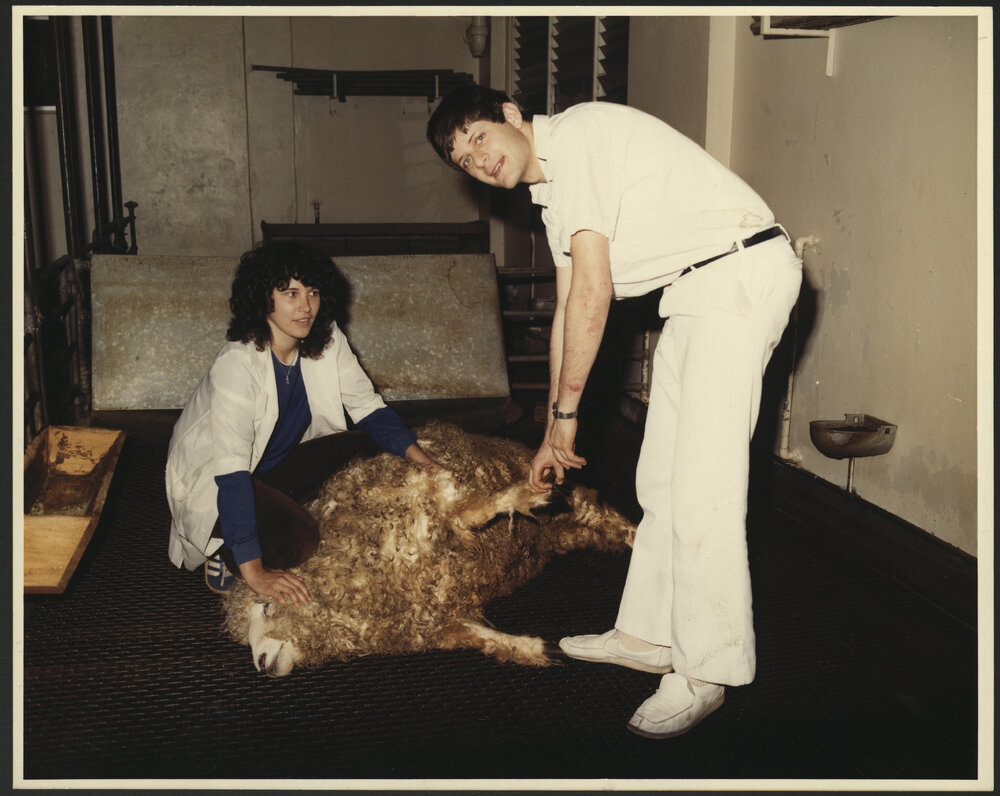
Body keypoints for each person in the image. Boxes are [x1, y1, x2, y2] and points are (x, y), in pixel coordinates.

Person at [427, 85, 802, 738]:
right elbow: (566, 315)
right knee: (662, 478)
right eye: (463, 160)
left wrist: (569, 417)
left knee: (706, 489)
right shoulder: (553, 194)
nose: (477, 161)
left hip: (738, 277)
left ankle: (707, 671)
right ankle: (651, 633)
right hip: (695, 292)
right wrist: (550, 428)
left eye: (480, 137)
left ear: (513, 116)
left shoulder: (581, 136)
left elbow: (595, 293)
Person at [166, 240, 440, 604]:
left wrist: (423, 462)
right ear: (263, 297)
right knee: (301, 540)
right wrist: (255, 573)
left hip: (275, 467)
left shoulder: (325, 339)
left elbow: (367, 407)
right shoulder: (237, 365)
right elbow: (231, 475)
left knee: (367, 445)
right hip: (218, 484)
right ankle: (225, 552)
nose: (306, 306)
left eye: (312, 292)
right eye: (290, 293)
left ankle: (277, 511)